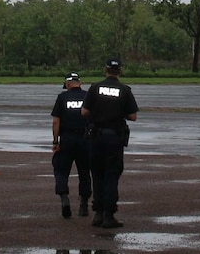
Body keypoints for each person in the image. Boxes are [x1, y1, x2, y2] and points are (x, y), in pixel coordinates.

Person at [81, 58, 138, 229]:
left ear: (105, 70)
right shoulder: (124, 90)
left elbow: (84, 112)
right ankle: (109, 215)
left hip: (96, 138)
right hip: (114, 138)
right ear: (120, 71)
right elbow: (133, 116)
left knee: (97, 174)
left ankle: (97, 213)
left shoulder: (95, 88)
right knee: (111, 176)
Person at [50, 71, 92, 219]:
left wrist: (55, 141)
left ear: (67, 84)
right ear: (80, 83)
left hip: (67, 139)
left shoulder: (62, 97)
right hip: (85, 139)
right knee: (85, 172)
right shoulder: (88, 96)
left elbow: (56, 121)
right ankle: (84, 205)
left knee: (61, 171)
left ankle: (64, 199)